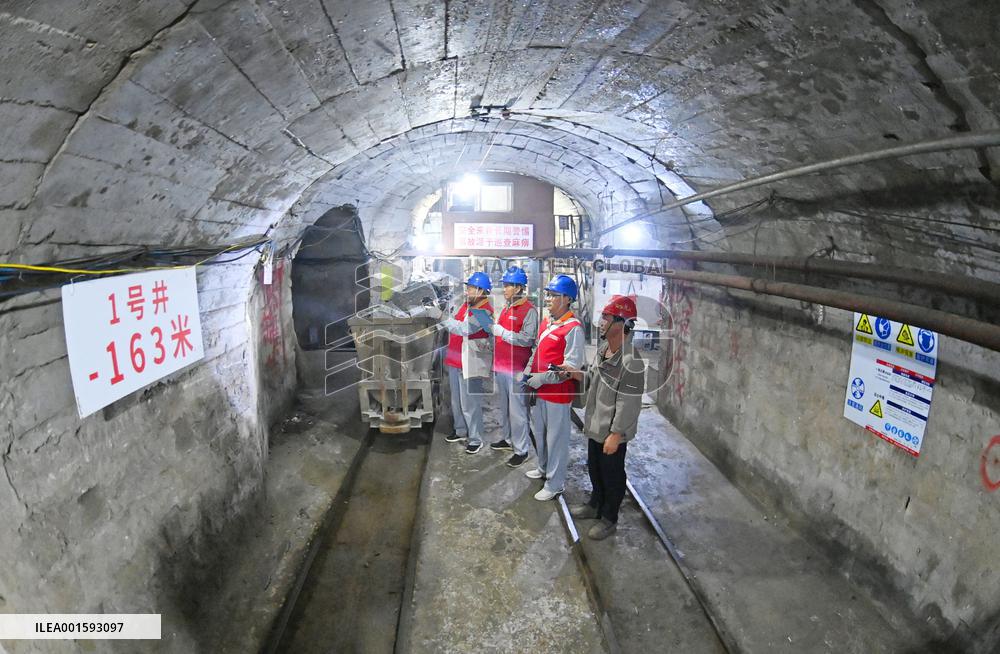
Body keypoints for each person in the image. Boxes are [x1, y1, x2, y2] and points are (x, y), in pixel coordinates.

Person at [567, 295, 645, 540]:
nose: (600, 322)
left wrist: (616, 433)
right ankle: (595, 504)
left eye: (606, 318)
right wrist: (577, 374)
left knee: (612, 475)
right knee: (595, 467)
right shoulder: (603, 349)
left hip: (612, 432)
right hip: (596, 425)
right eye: (602, 317)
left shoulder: (631, 361)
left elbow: (628, 403)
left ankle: (609, 518)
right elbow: (593, 380)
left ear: (621, 324)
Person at [522, 274, 584, 501]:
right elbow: (537, 350)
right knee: (540, 432)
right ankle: (543, 467)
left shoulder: (573, 328)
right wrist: (529, 372)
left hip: (558, 394)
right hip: (540, 391)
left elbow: (570, 367)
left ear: (567, 299)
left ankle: (555, 483)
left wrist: (542, 378)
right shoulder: (547, 322)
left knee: (556, 439)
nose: (548, 299)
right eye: (548, 294)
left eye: (553, 295)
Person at [489, 266, 538, 468]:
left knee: (518, 411)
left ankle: (521, 450)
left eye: (508, 285)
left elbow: (527, 340)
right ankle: (508, 439)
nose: (505, 289)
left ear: (519, 288)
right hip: (501, 367)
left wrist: (502, 333)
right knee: (505, 408)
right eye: (505, 285)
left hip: (516, 369)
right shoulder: (508, 307)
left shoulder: (529, 311)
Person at [442, 272, 495, 454]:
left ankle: (476, 438)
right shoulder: (466, 306)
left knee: (470, 403)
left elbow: (465, 329)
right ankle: (461, 430)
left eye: (471, 288)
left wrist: (441, 318)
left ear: (481, 291)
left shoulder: (485, 311)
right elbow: (456, 321)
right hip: (456, 360)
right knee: (457, 401)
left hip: (471, 362)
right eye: (468, 288)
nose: (467, 291)